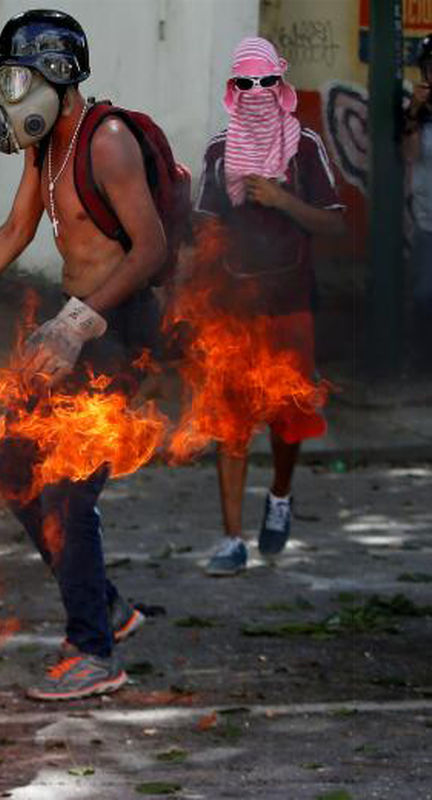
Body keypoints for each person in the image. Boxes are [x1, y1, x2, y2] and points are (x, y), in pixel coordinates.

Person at [0, 9, 171, 700]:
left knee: (66, 487)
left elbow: (151, 250)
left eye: (18, 76)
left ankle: (94, 652)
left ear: (57, 74)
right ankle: (108, 607)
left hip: (116, 332)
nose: (9, 91)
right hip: (72, 329)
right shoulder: (45, 148)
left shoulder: (107, 142)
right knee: (14, 468)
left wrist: (81, 321)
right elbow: (15, 231)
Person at [193, 37, 345, 576]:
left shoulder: (305, 146)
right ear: (233, 91)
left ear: (278, 86)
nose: (256, 93)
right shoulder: (218, 152)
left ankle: (280, 495)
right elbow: (204, 231)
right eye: (245, 84)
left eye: (265, 82)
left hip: (290, 306)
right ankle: (231, 537)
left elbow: (335, 221)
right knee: (230, 425)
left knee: (287, 420)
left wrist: (282, 199)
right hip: (235, 310)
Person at [404, 34, 432, 369]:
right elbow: (408, 155)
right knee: (424, 295)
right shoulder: (419, 115)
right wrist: (414, 110)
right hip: (427, 221)